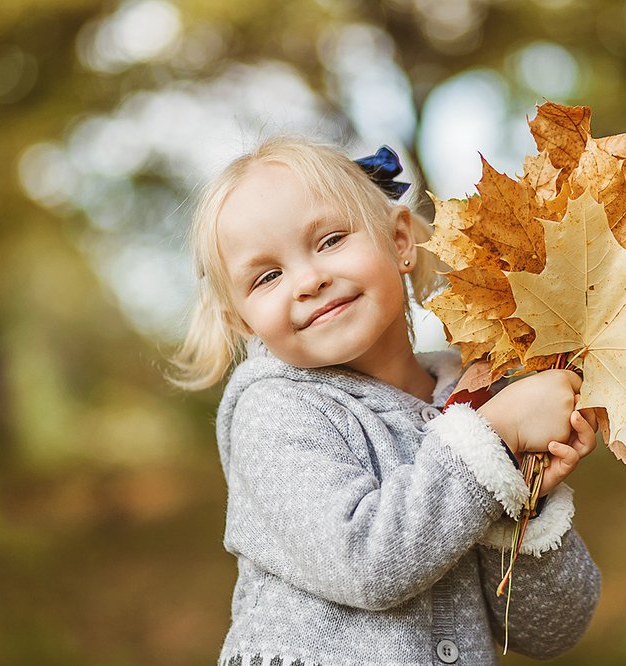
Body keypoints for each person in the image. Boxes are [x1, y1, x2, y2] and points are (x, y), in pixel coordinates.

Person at [170, 137, 601, 666]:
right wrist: (492, 437)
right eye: (267, 276)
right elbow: (365, 562)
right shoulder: (273, 412)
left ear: (400, 241)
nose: (309, 279)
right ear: (243, 320)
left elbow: (550, 632)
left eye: (329, 240)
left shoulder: (475, 394)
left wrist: (521, 506)